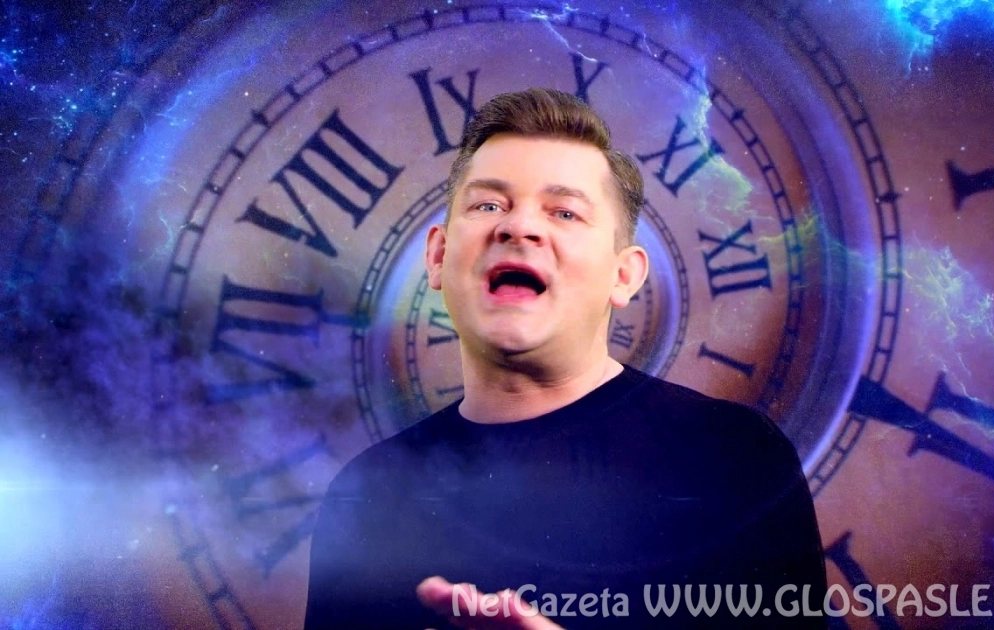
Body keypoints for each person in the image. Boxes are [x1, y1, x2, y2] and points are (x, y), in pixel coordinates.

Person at [304, 88, 827, 629]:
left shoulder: (735, 458)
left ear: (624, 275)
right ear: (437, 255)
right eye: (488, 205)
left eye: (565, 212)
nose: (518, 227)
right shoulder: (368, 493)